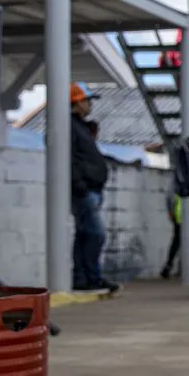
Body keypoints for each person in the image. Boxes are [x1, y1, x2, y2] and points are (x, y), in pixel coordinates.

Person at [68, 82, 118, 292]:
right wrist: (79, 184)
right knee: (96, 234)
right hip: (85, 190)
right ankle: (91, 277)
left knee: (85, 235)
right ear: (78, 102)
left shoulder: (81, 126)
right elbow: (69, 157)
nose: (90, 105)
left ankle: (83, 278)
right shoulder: (70, 126)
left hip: (91, 189)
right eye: (87, 101)